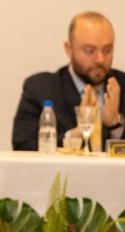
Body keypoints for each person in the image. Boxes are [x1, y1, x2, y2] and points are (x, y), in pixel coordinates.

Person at [12, 11, 125, 151]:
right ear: (69, 49)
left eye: (107, 50)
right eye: (90, 51)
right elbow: (23, 145)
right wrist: (78, 133)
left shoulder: (122, 85)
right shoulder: (40, 88)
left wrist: (115, 127)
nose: (100, 59)